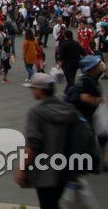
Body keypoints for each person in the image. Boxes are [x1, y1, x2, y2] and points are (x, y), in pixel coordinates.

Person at [14, 73, 77, 209]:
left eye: (33, 88)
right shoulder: (68, 109)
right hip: (65, 169)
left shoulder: (36, 113)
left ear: (41, 90)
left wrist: (21, 169)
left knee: (47, 204)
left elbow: (32, 145)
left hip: (44, 171)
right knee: (54, 202)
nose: (31, 91)